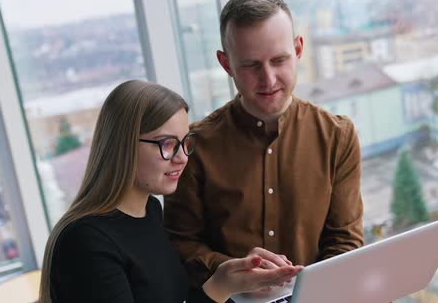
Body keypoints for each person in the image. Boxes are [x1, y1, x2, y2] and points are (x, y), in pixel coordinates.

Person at [164, 0, 364, 288]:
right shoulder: (195, 146)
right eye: (251, 65)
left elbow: (345, 242)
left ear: (298, 50)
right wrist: (233, 275)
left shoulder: (338, 136)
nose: (268, 79)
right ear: (226, 64)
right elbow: (180, 243)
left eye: (279, 60)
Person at [38, 80, 302, 303]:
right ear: (124, 145)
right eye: (167, 144)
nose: (182, 158)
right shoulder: (85, 242)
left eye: (185, 142)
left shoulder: (150, 211)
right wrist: (218, 288)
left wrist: (233, 277)